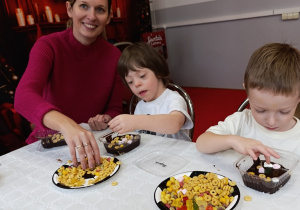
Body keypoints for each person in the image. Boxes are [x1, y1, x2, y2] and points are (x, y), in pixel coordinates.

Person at [14, 0, 123, 170]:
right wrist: (68, 125)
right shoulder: (48, 45)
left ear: (108, 17)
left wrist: (104, 119)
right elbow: (23, 96)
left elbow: (114, 108)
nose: (92, 16)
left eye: (100, 10)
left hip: (92, 144)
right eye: (84, 6)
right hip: (49, 147)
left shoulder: (114, 55)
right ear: (69, 9)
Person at [196, 43, 300, 163]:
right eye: (260, 110)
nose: (271, 121)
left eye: (284, 112)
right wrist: (234, 141)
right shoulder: (241, 121)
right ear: (247, 92)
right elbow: (201, 143)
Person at [108, 42, 194, 141]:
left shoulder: (173, 98)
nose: (136, 84)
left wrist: (135, 121)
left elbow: (175, 124)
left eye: (142, 76)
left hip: (177, 154)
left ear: (158, 72)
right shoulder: (140, 106)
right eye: (130, 82)